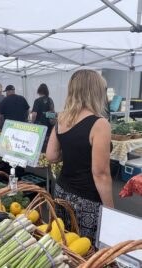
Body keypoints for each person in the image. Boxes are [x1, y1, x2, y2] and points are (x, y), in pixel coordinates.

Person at [46, 69, 114, 244]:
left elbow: (51, 155)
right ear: (96, 91)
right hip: (87, 201)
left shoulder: (62, 117)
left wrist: (71, 151)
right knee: (85, 251)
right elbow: (101, 173)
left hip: (62, 191)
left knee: (62, 244)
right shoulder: (100, 124)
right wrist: (110, 210)